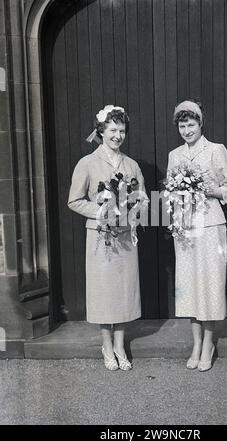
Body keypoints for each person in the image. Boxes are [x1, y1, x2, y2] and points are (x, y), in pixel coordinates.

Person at [68, 105, 147, 371]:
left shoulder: (132, 165)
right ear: (101, 131)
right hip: (101, 238)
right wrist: (102, 210)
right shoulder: (87, 164)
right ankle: (106, 345)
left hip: (125, 236)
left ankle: (120, 345)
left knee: (124, 290)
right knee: (104, 292)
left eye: (122, 130)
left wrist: (133, 206)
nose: (118, 135)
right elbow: (74, 201)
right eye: (113, 130)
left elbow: (144, 199)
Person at [167, 99, 227, 371]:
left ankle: (208, 344)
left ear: (200, 123)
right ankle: (195, 344)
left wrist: (207, 189)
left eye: (191, 124)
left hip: (210, 226)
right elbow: (171, 192)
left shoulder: (216, 150)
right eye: (182, 126)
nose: (187, 130)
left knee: (210, 284)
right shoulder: (175, 155)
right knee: (190, 286)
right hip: (185, 228)